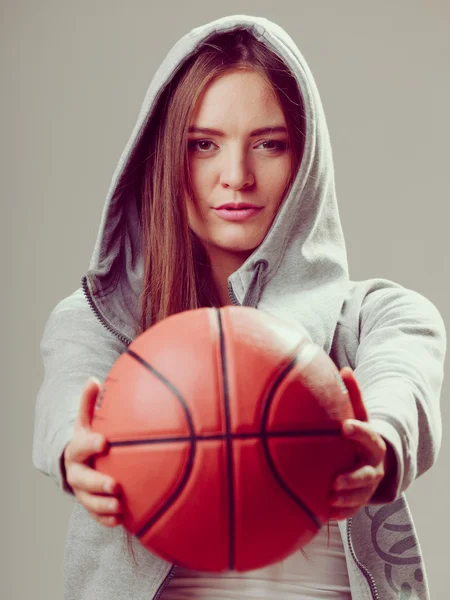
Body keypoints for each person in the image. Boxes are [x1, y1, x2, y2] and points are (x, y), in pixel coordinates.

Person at [32, 14, 446, 600]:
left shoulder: (377, 319)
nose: (236, 177)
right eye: (203, 145)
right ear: (163, 157)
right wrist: (73, 449)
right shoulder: (99, 321)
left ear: (305, 162)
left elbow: (403, 378)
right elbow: (66, 401)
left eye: (268, 144)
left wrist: (377, 440)